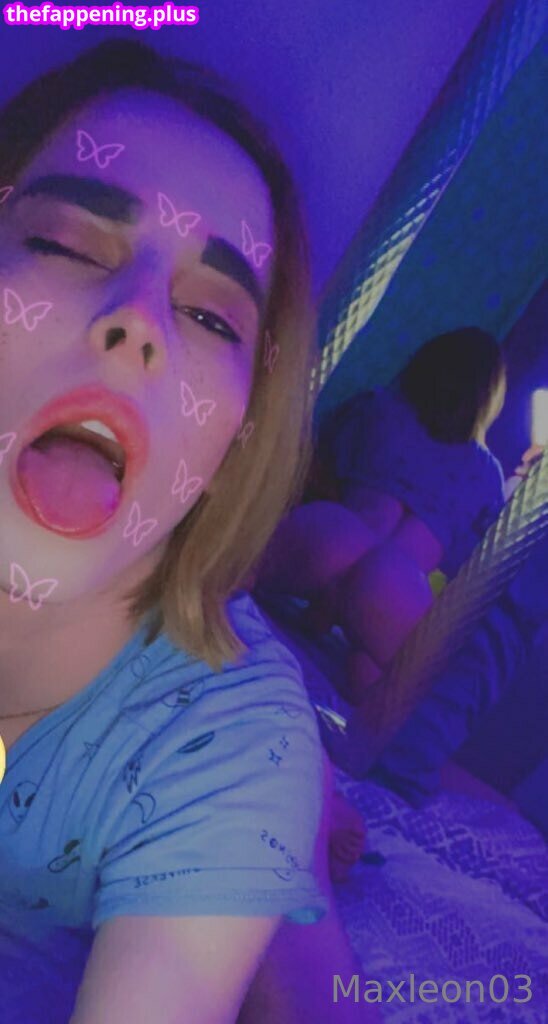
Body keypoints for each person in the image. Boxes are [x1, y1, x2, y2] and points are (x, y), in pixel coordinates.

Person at [0, 39, 381, 1024]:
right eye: (69, 245)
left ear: (241, 430)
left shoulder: (233, 738)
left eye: (213, 320)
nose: (137, 324)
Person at [256, 327, 507, 702]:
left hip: (340, 536)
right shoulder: (487, 473)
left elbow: (315, 469)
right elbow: (470, 568)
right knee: (374, 683)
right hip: (398, 583)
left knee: (245, 575)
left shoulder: (378, 407)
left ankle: (319, 602)